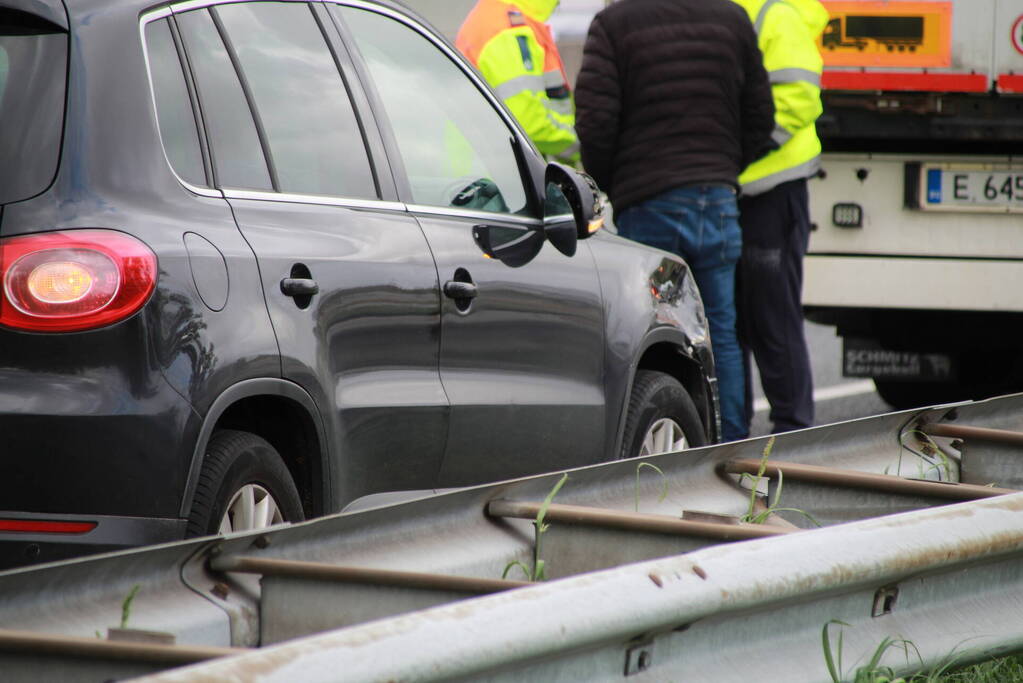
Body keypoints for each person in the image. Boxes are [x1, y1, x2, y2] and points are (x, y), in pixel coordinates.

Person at [574, 0, 776, 442]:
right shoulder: (731, 18)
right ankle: (731, 447)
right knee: (720, 331)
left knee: (655, 332)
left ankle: (665, 437)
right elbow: (762, 117)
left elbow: (596, 122)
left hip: (649, 203)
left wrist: (616, 184)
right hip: (717, 200)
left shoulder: (615, 23)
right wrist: (722, 168)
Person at [733, 0, 829, 434]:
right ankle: (732, 432)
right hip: (730, 185)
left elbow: (798, 97)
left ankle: (792, 432)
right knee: (729, 321)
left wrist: (740, 152)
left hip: (771, 187)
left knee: (772, 315)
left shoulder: (774, 14)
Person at [456, 0, 578, 163]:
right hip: (499, 171)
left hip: (487, 168)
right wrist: (587, 146)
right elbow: (529, 123)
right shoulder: (508, 29)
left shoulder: (498, 18)